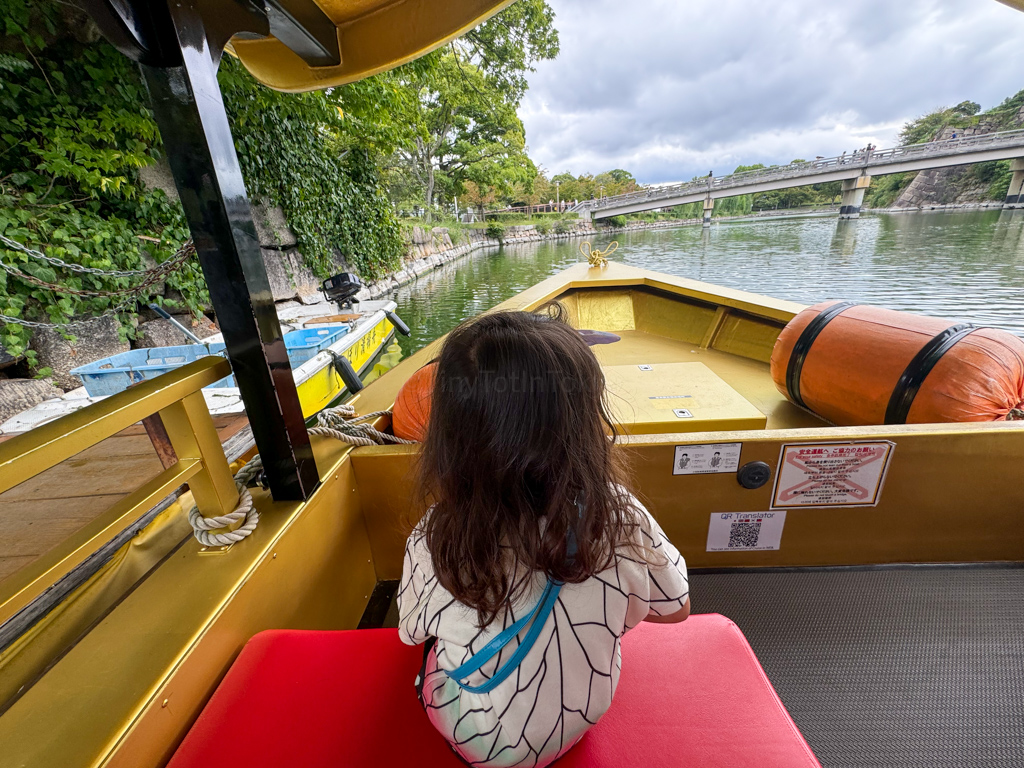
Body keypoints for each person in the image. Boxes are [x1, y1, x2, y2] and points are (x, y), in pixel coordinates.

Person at [398, 307, 690, 767]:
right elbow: (676, 611)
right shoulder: (617, 515)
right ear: (584, 423)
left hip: (475, 743)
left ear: (449, 435)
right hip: (579, 719)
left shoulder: (435, 536)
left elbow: (412, 632)